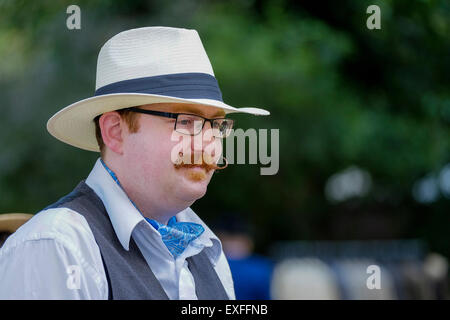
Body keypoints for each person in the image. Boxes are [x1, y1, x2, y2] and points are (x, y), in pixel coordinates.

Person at [0, 26, 269, 299]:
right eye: (186, 122)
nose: (208, 144)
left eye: (216, 125)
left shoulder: (209, 253)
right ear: (115, 132)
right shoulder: (57, 245)